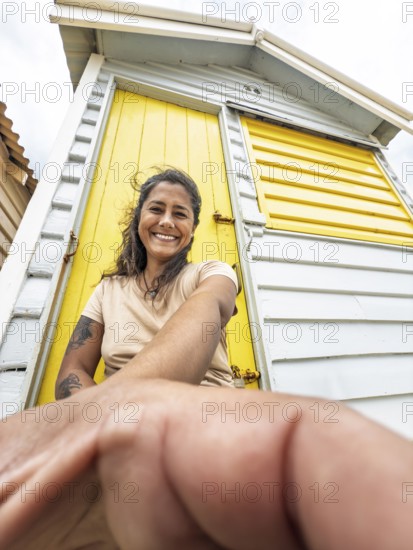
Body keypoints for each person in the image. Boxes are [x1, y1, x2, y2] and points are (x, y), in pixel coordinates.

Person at [55, 169, 238, 399]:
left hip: (201, 418)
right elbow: (72, 371)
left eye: (180, 214)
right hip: (114, 424)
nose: (166, 221)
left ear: (192, 230)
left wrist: (108, 410)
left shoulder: (212, 274)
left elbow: (211, 308)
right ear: (139, 218)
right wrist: (102, 417)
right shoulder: (108, 290)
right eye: (156, 209)